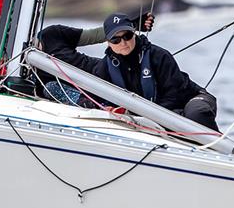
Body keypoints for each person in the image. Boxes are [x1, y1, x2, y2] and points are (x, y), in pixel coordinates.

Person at [37, 13, 219, 130]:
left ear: (134, 34)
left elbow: (174, 93)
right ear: (108, 42)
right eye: (115, 40)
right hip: (156, 113)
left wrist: (151, 118)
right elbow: (103, 99)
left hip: (189, 99)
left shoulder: (158, 56)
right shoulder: (105, 68)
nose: (123, 42)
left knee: (197, 115)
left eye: (127, 36)